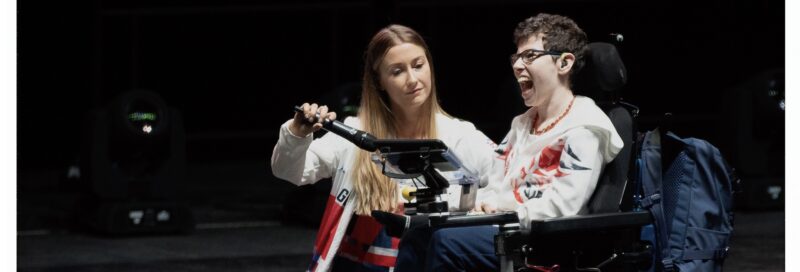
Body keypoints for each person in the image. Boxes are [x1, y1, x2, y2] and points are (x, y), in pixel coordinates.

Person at [393, 13, 625, 271]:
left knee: (447, 242)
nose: (517, 66)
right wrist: (432, 206)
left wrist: (500, 207)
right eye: (517, 57)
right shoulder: (522, 124)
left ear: (564, 63)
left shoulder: (585, 126)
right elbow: (494, 186)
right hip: (502, 226)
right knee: (418, 235)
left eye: (530, 56)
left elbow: (564, 206)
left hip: (541, 243)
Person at [270, 24, 498, 272]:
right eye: (397, 71)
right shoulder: (355, 134)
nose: (413, 79)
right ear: (379, 81)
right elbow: (290, 171)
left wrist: (481, 202)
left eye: (418, 65)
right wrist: (296, 133)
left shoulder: (460, 136)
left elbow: (510, 179)